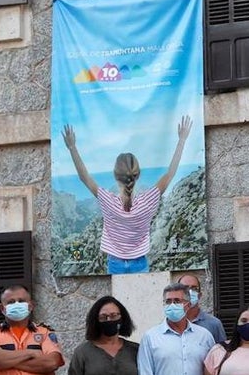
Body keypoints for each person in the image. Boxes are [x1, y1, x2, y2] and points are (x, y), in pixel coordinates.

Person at [62, 115, 191, 274]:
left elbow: (84, 177)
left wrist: (72, 147)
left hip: (115, 264)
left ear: (115, 175)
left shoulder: (107, 200)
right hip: (140, 263)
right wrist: (182, 140)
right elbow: (170, 174)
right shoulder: (148, 200)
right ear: (138, 175)